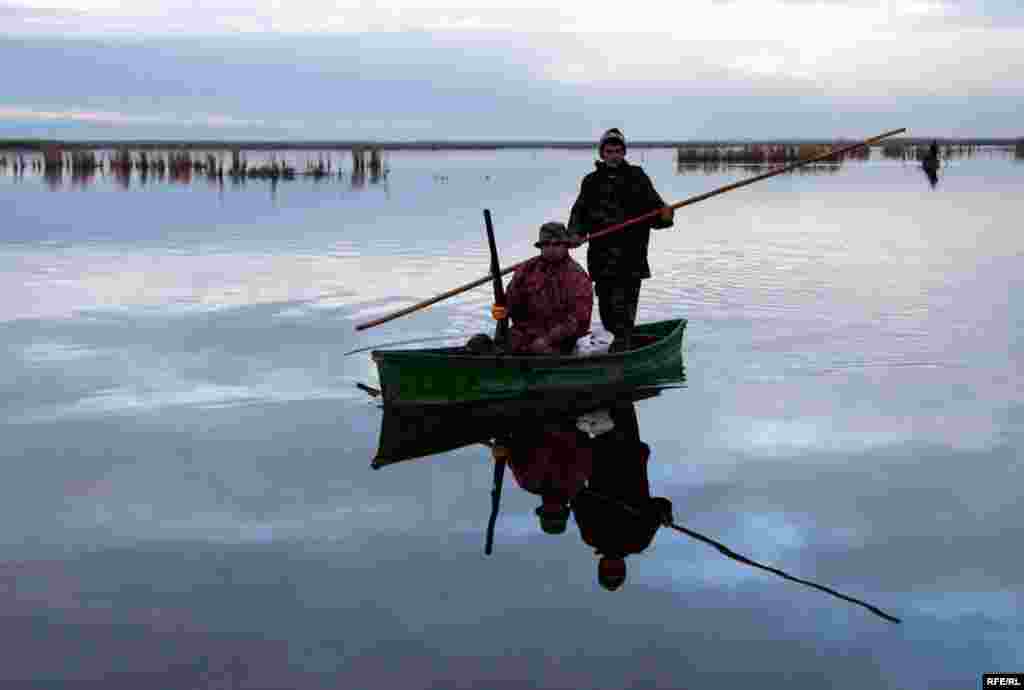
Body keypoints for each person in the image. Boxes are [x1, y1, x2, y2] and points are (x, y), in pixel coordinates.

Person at [568, 128, 675, 353]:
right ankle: (615, 347)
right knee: (607, 309)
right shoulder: (591, 181)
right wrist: (575, 234)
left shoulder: (637, 177)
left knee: (625, 311)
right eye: (609, 151)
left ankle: (623, 349)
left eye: (618, 150)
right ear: (602, 153)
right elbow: (579, 214)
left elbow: (656, 212)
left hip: (632, 258)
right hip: (601, 259)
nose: (614, 155)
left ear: (624, 152)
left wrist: (666, 216)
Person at [571, 400, 673, 591]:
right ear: (623, 568)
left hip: (601, 456)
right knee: (623, 402)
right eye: (616, 570)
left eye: (608, 570)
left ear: (601, 566)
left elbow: (578, 498)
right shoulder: (638, 541)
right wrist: (666, 515)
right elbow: (660, 505)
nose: (613, 566)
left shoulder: (591, 536)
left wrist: (603, 500)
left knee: (594, 405)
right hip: (630, 454)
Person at [487, 221, 593, 355]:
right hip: (524, 335)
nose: (551, 248)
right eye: (546, 244)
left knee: (542, 352)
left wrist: (547, 339)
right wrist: (500, 310)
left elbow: (578, 320)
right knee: (478, 344)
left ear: (566, 246)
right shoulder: (526, 269)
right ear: (541, 247)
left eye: (557, 244)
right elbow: (510, 302)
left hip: (560, 341)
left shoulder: (577, 276)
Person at [507, 417, 595, 535]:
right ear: (565, 510)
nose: (553, 509)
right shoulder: (577, 482)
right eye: (557, 513)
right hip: (568, 417)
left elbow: (512, 450)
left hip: (527, 419)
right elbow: (583, 444)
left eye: (549, 514)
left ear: (542, 510)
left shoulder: (527, 482)